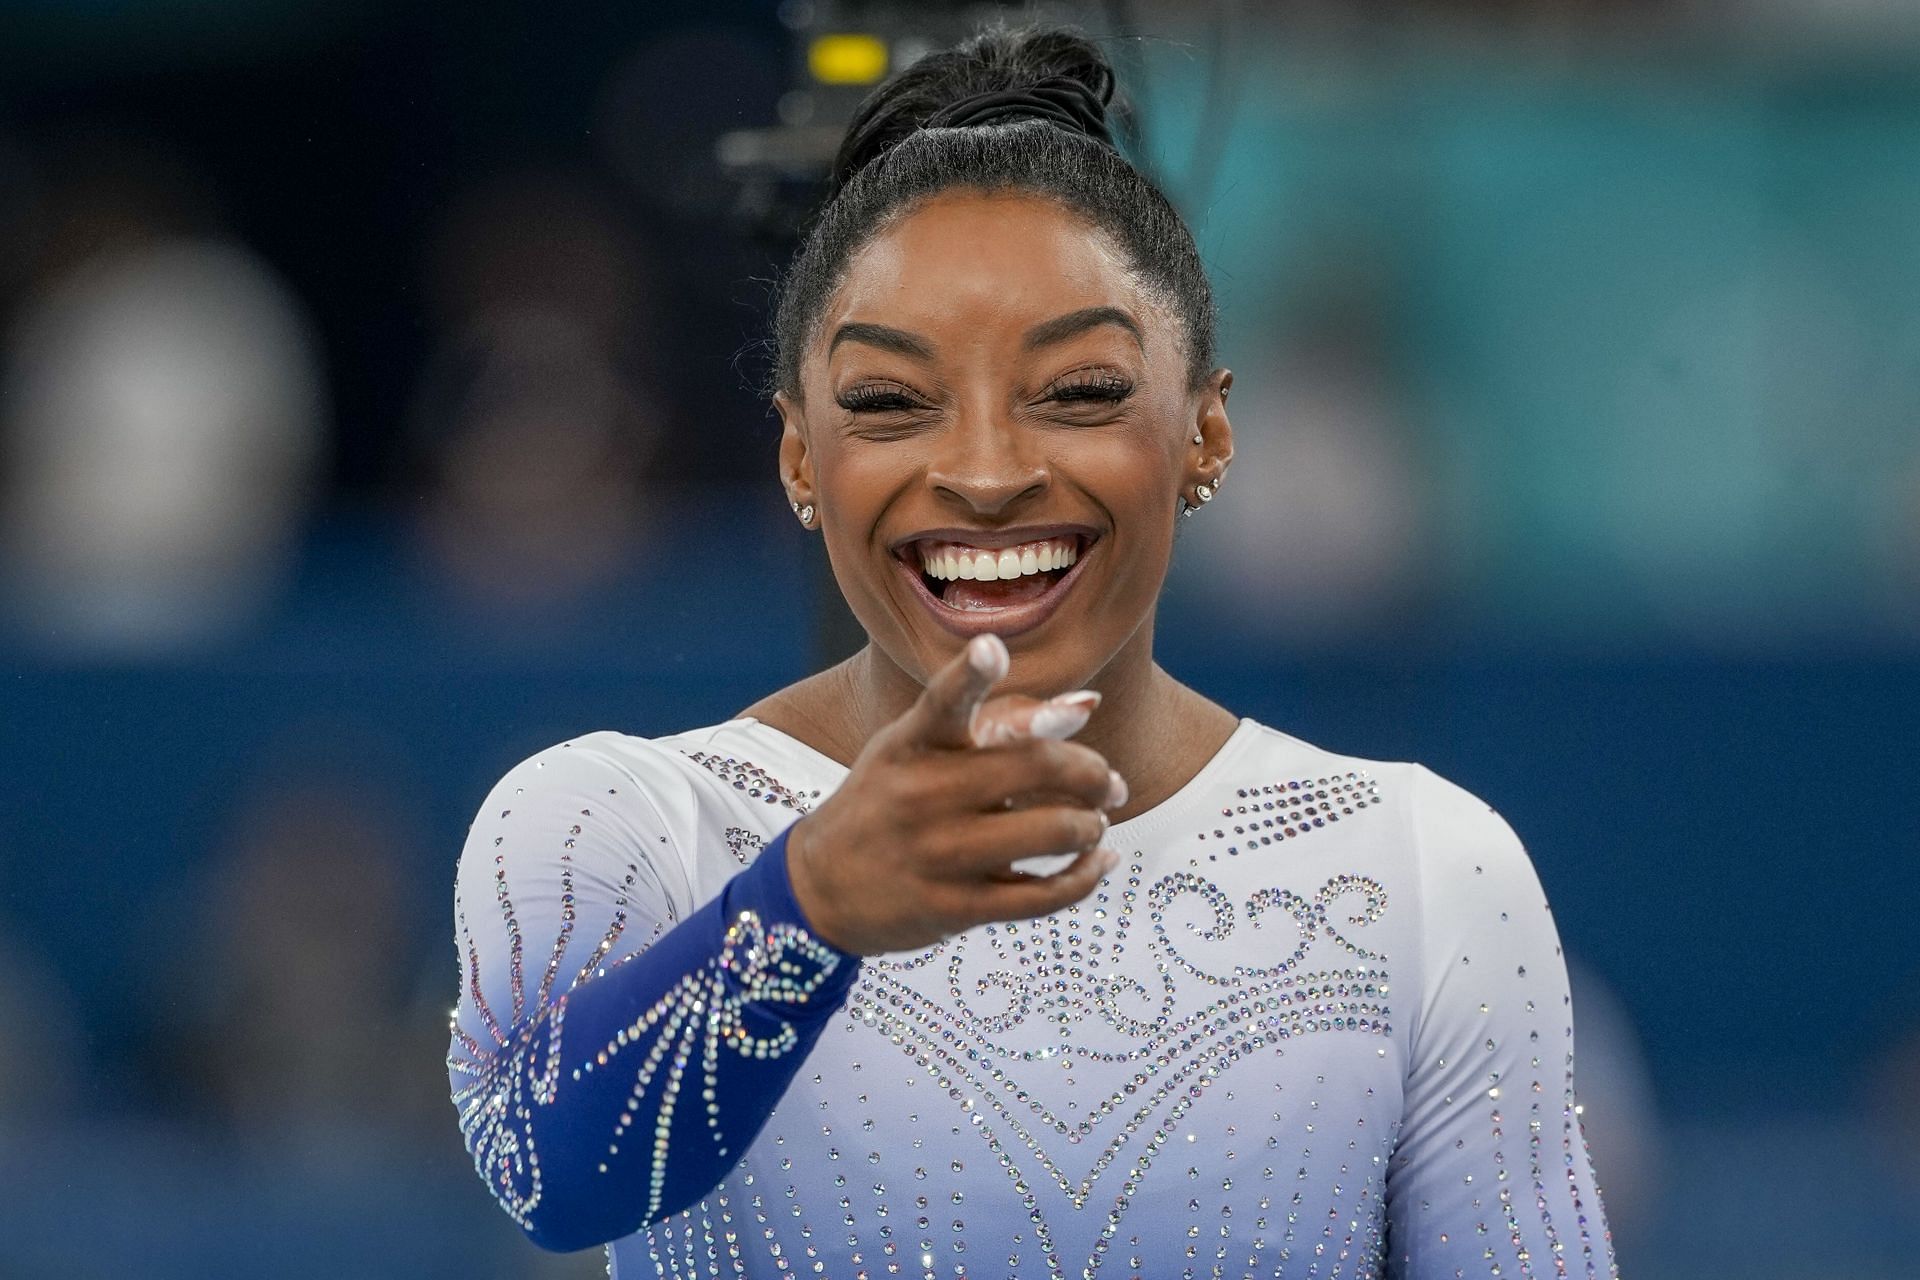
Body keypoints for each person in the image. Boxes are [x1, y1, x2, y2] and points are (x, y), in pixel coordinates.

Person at [447, 23, 1617, 1278]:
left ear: (1207, 433)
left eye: (1080, 390)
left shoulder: (1420, 864)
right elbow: (545, 1168)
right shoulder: (626, 820)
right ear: (799, 456)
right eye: (891, 402)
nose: (989, 474)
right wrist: (806, 907)